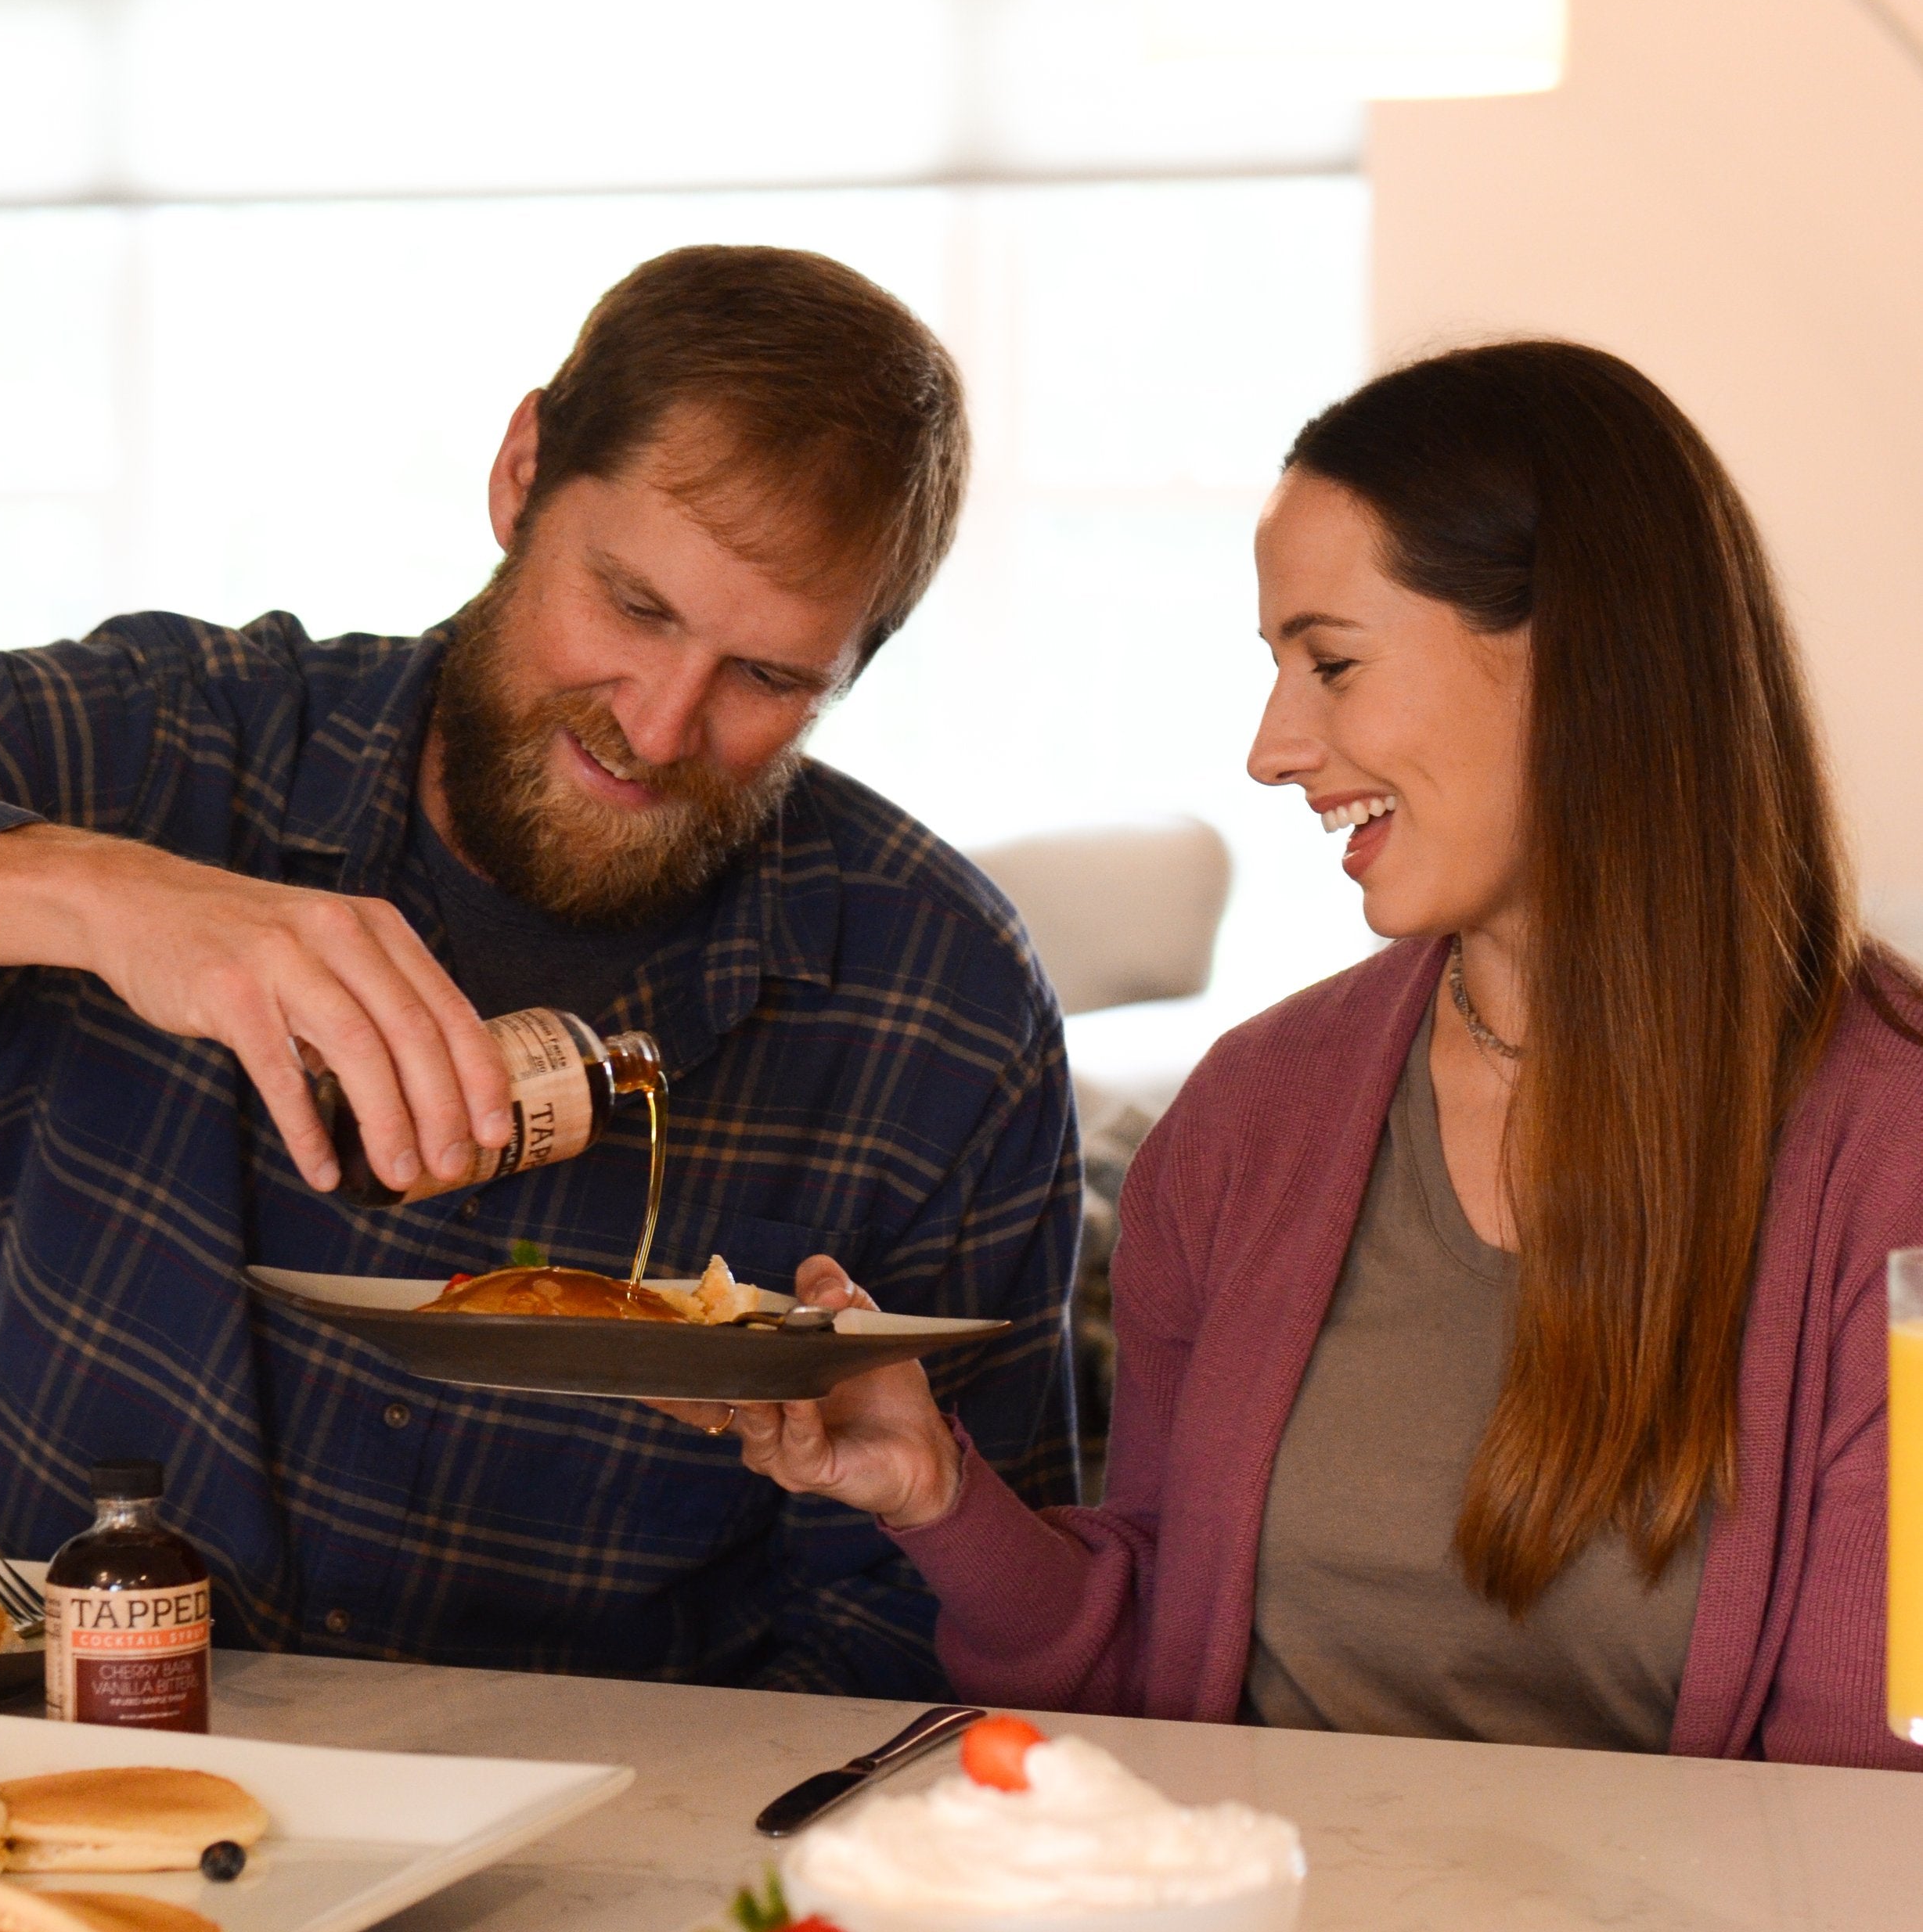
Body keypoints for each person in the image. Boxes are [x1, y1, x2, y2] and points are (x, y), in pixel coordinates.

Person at [702, 340, 1923, 1765]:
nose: (1273, 748)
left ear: (1584, 653)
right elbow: (1162, 1663)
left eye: (1332, 662)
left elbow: (1871, 1802)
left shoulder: (1889, 1154)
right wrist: (938, 1497)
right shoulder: (1247, 1120)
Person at [0, 245, 1079, 1693]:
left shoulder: (943, 1001)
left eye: (771, 679)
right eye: (632, 605)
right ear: (521, 473)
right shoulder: (175, 746)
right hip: (63, 1782)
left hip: (611, 1857)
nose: (664, 725)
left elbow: (908, 1647)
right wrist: (96, 893)